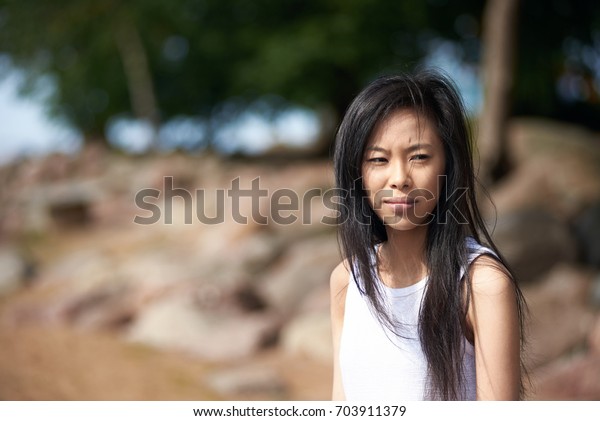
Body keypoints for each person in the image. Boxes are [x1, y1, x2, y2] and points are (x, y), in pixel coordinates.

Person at [329, 69, 527, 401]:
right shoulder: (348, 279)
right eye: (378, 159)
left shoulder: (481, 284)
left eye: (419, 157)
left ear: (448, 166)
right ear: (357, 173)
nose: (400, 178)